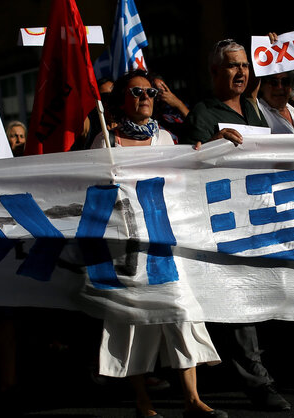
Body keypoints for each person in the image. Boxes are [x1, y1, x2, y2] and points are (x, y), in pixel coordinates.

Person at [92, 70, 226, 418]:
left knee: (182, 312)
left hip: (165, 245)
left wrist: (215, 145)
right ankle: (142, 401)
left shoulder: (167, 140)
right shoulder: (105, 143)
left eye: (150, 91)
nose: (145, 97)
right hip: (126, 247)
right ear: (122, 99)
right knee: (133, 319)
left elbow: (189, 179)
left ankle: (192, 399)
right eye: (136, 91)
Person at [182, 39, 290, 412]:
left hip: (257, 216)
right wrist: (212, 144)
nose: (241, 71)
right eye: (232, 66)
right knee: (239, 303)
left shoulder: (253, 110)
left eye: (245, 65)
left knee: (258, 298)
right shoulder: (203, 112)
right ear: (215, 73)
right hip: (222, 223)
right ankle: (257, 383)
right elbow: (186, 164)